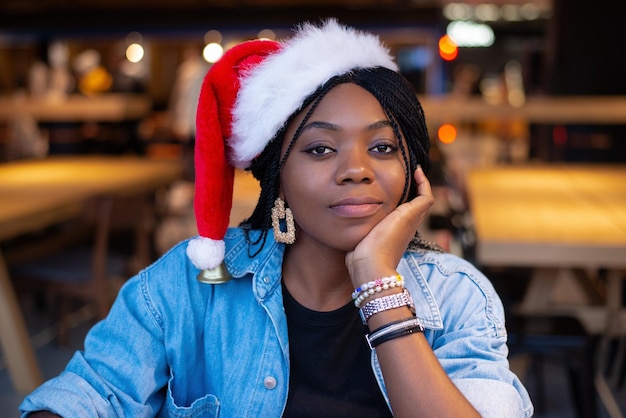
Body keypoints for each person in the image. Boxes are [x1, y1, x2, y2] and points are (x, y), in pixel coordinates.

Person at [20, 19, 533, 417]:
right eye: (319, 149)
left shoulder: (456, 296)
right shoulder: (193, 284)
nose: (356, 169)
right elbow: (92, 392)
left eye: (381, 146)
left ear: (410, 169)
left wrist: (378, 282)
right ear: (277, 175)